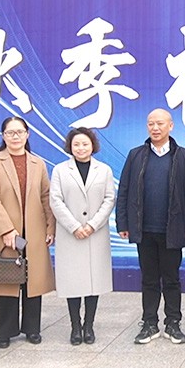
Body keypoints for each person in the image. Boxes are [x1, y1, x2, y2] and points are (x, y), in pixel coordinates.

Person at [116, 109, 185, 345]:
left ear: (170, 126)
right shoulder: (136, 155)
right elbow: (124, 190)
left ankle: (173, 323)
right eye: (151, 123)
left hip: (173, 229)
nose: (155, 128)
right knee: (149, 279)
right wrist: (123, 222)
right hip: (144, 229)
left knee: (172, 279)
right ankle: (149, 323)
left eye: (160, 123)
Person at [0, 117, 56, 349]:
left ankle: (32, 329)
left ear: (27, 134)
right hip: (7, 232)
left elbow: (46, 195)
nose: (15, 136)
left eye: (20, 132)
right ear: (3, 136)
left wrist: (50, 226)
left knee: (33, 283)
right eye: (10, 132)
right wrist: (6, 229)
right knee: (8, 281)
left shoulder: (37, 163)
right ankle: (5, 331)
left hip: (33, 231)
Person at [49, 128, 115, 346]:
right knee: (73, 281)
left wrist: (93, 225)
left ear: (92, 145)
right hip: (70, 234)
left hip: (96, 233)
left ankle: (89, 325)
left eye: (85, 144)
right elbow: (55, 200)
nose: (81, 148)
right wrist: (74, 226)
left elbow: (109, 199)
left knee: (94, 281)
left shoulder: (103, 170)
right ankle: (75, 326)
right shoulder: (60, 170)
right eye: (76, 144)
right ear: (70, 147)